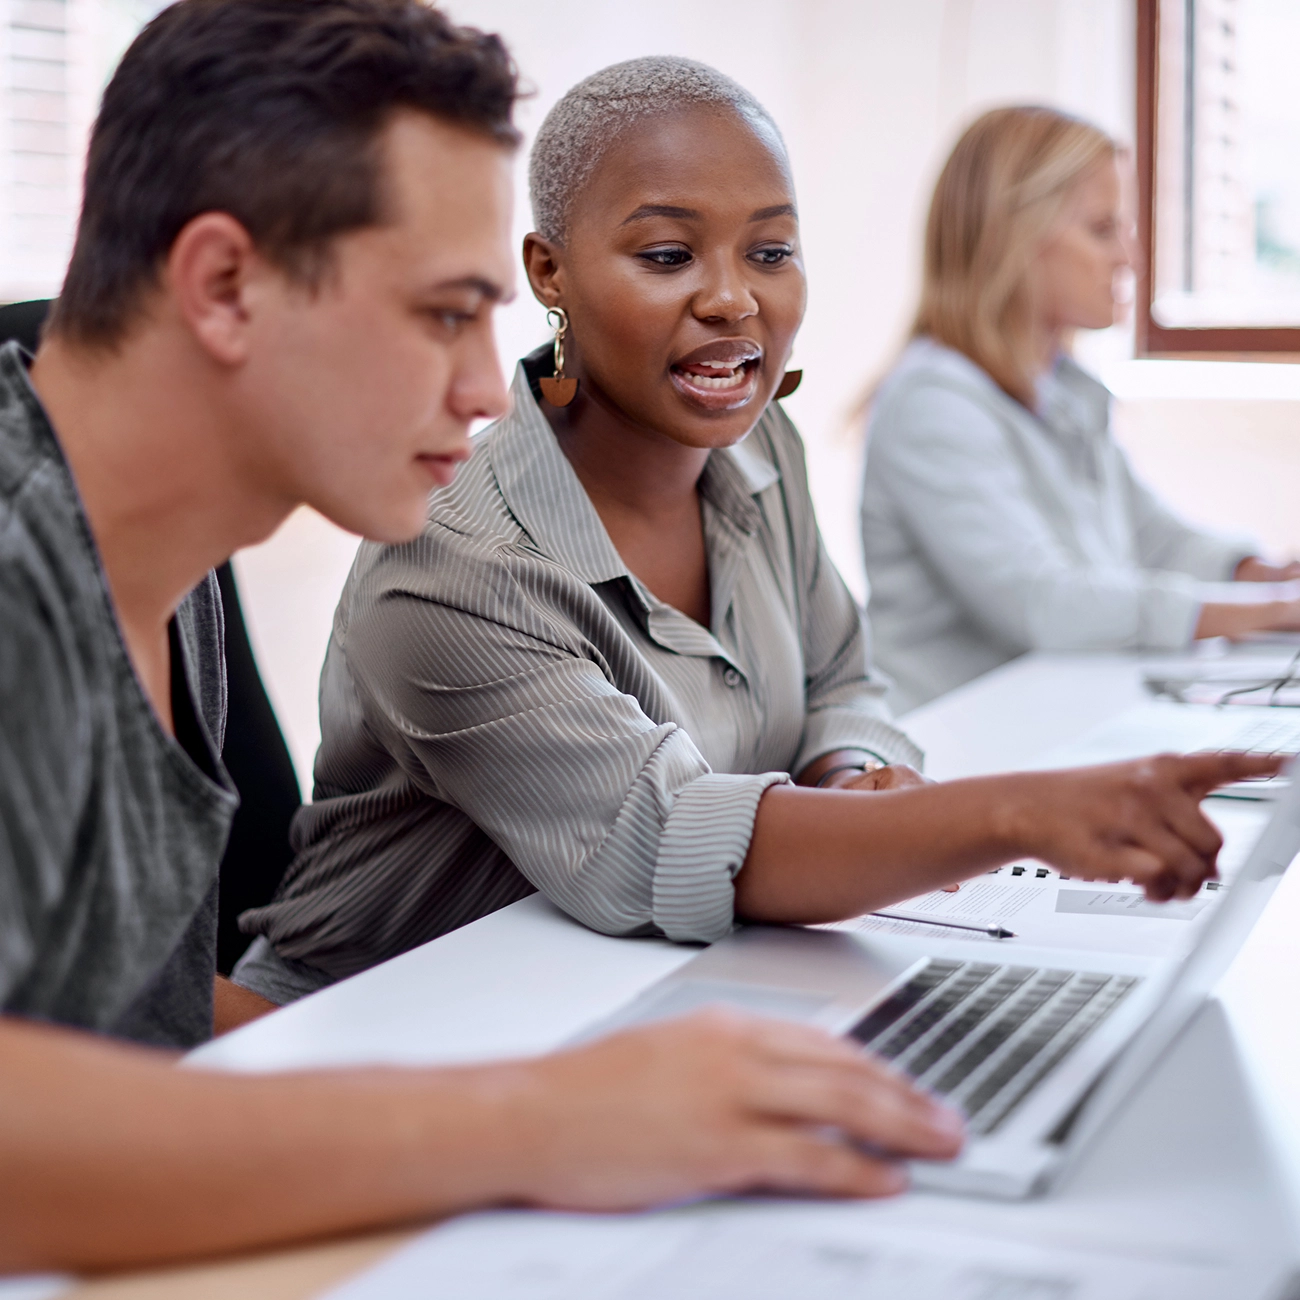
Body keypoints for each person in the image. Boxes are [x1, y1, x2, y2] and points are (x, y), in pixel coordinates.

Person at [0, 2, 974, 1273]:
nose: (484, 387)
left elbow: (132, 1027)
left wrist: (575, 1080)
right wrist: (536, 1118)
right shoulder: (24, 567)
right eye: (445, 312)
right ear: (225, 285)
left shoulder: (162, 570)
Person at [232, 60, 1275, 1011]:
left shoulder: (758, 445)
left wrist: (849, 770)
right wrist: (1008, 817)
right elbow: (670, 839)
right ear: (548, 273)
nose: (733, 299)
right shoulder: (459, 560)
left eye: (769, 251)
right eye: (667, 254)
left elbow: (840, 677)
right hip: (367, 1040)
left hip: (635, 992)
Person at [860, 105, 1300, 712]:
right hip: (960, 746)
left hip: (1057, 720)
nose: (1128, 258)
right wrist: (1273, 613)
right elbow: (1046, 604)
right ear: (1013, 240)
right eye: (1101, 229)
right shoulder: (930, 405)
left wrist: (1267, 574)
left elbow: (1151, 537)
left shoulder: (1063, 390)